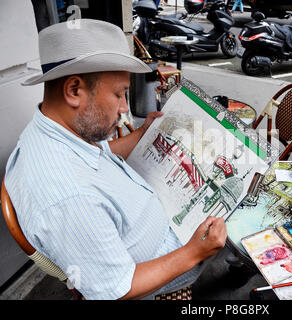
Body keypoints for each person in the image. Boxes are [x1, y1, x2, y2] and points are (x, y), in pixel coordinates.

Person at [4, 18, 227, 300]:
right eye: (119, 94)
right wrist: (194, 252)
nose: (124, 109)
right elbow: (116, 289)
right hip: (157, 276)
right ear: (74, 90)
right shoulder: (68, 197)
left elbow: (100, 154)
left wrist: (143, 133)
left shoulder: (55, 127)